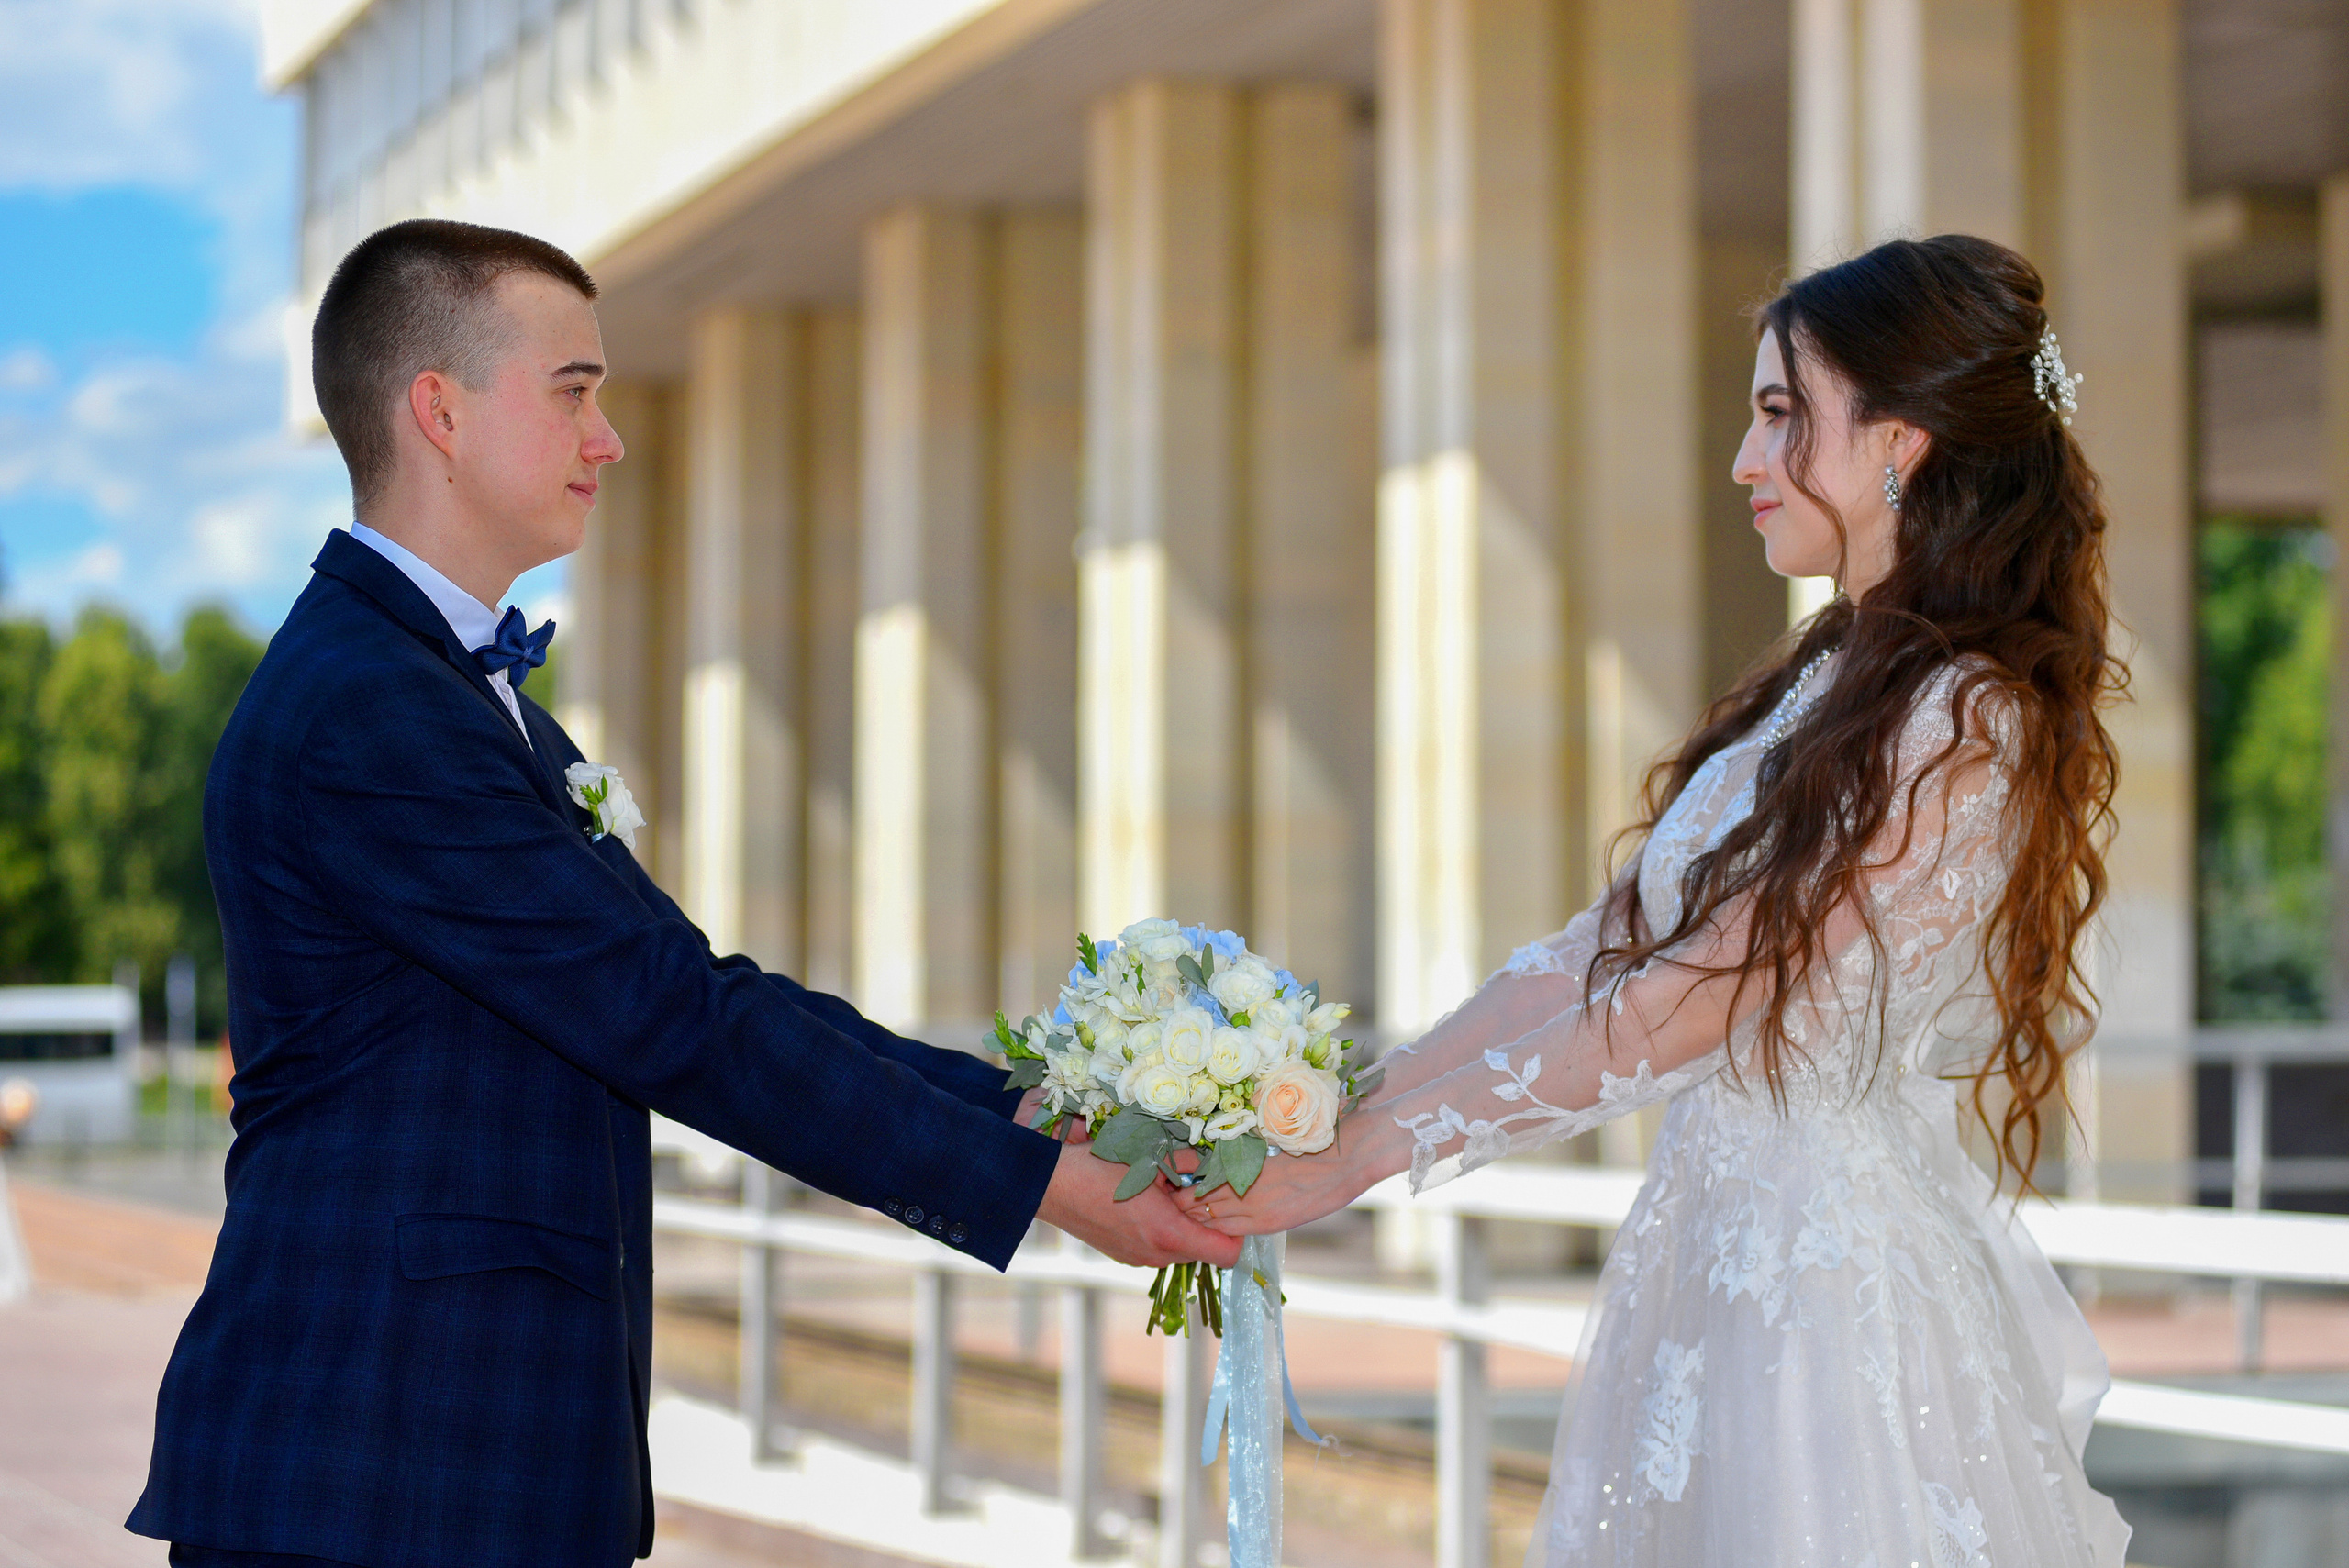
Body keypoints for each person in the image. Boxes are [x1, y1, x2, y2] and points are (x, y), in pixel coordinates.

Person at [128, 218, 1238, 1568]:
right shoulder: (369, 709)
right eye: (574, 391)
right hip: (374, 1470)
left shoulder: (481, 714)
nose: (608, 439)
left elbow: (710, 991)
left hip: (453, 1471)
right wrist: (1040, 1185)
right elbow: (675, 1019)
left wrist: (1046, 1114)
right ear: (440, 409)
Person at [1179, 236, 2132, 1566]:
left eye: (1780, 413)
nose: (1745, 460)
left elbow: (1700, 1001)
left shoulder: (1961, 718)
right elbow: (1597, 956)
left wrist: (1371, 1159)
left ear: (1901, 444)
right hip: (1708, 1260)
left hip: (1825, 1304)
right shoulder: (1829, 680)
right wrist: (1351, 1105)